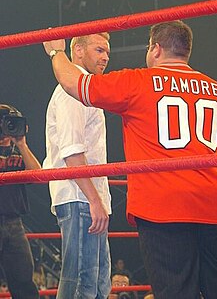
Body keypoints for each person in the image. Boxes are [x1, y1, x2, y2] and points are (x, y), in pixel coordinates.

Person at [43, 21, 217, 298]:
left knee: (175, 290)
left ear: (155, 49)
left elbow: (75, 83)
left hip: (163, 205)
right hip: (213, 204)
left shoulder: (138, 81)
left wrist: (56, 52)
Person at [43, 32, 112, 299]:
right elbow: (72, 152)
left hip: (88, 198)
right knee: (81, 285)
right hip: (80, 197)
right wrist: (94, 200)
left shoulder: (85, 89)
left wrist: (98, 201)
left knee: (96, 285)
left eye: (107, 51)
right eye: (99, 50)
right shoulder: (71, 91)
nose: (105, 57)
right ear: (79, 51)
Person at [0, 104, 40, 299]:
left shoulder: (18, 151)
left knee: (24, 282)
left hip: (14, 224)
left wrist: (22, 144)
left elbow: (38, 175)